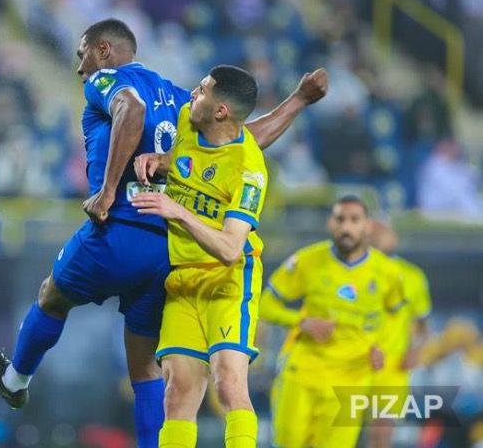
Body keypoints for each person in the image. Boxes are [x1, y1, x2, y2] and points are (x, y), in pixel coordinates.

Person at [0, 18, 327, 448]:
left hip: (120, 229)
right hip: (169, 252)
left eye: (81, 52)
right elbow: (240, 139)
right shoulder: (180, 99)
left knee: (52, 294)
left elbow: (131, 110)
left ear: (103, 50)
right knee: (145, 366)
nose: (79, 67)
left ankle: (14, 380)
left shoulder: (108, 80)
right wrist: (298, 100)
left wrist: (105, 193)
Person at [130, 65, 270, 448]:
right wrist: (160, 160)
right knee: (177, 394)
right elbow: (186, 160)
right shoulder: (188, 121)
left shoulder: (249, 171)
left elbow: (229, 249)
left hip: (227, 282)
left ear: (221, 110)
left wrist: (177, 211)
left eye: (204, 89)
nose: (194, 92)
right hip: (182, 280)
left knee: (228, 383)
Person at [259, 196, 405, 448]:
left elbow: (397, 316)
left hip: (351, 381)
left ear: (367, 225)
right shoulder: (308, 261)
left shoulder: (388, 273)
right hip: (303, 373)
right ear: (330, 223)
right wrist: (302, 322)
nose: (346, 227)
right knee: (286, 443)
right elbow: (265, 304)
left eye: (354, 220)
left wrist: (381, 347)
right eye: (340, 219)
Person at [366, 220, 431, 448]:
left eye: (383, 231)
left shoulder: (412, 276)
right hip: (351, 362)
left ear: (393, 238)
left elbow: (423, 324)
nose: (377, 236)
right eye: (373, 231)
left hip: (392, 366)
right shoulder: (346, 271)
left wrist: (416, 351)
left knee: (382, 432)